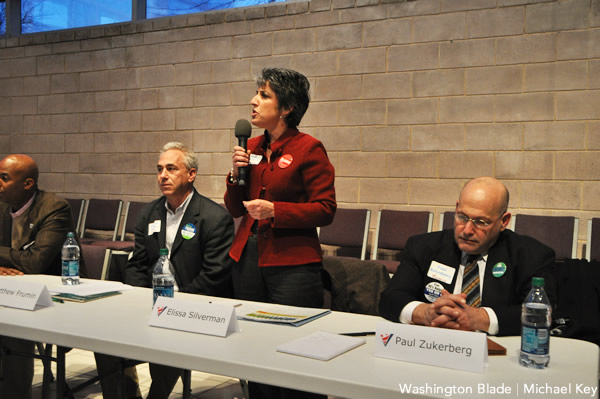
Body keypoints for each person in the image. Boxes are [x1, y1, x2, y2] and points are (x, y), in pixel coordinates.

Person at [224, 67, 336, 399]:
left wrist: (278, 211)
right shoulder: (251, 146)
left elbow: (326, 209)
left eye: (263, 95)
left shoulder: (309, 148)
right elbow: (234, 208)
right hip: (247, 257)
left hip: (292, 265)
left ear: (286, 107)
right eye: (256, 93)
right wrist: (235, 175)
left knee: (293, 350)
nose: (253, 101)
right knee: (255, 346)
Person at [118, 142, 233, 399]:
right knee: (105, 341)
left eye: (171, 168)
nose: (163, 176)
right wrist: (138, 299)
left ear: (191, 174)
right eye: (159, 169)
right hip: (151, 301)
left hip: (192, 306)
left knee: (169, 336)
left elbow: (215, 274)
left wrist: (175, 305)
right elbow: (137, 264)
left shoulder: (214, 218)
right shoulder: (148, 213)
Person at [379, 176, 555, 336]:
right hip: (431, 343)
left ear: (504, 221)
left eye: (481, 222)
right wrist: (426, 313)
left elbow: (543, 313)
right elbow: (390, 298)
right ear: (456, 208)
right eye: (462, 217)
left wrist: (480, 318)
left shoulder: (532, 256)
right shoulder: (424, 247)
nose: (467, 230)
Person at [0, 154, 86, 399]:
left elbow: (36, 262)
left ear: (28, 184)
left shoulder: (54, 208)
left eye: (4, 178)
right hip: (12, 290)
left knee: (12, 330)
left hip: (56, 294)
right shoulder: (1, 205)